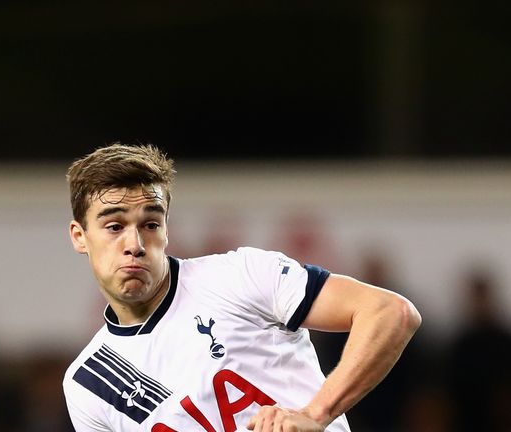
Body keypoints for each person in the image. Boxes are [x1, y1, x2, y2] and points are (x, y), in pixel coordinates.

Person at [62, 143, 421, 432]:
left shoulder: (237, 276)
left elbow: (391, 312)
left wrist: (316, 414)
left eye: (151, 224)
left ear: (167, 230)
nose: (135, 243)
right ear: (80, 236)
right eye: (114, 227)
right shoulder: (88, 383)